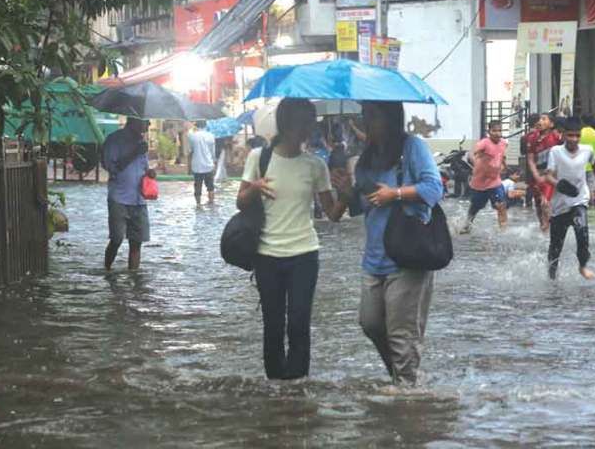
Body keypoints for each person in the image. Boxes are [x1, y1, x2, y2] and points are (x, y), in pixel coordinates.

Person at [329, 101, 444, 385]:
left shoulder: (412, 147)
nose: (367, 124)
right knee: (369, 323)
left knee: (402, 335)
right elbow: (364, 203)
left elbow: (434, 187)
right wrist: (346, 193)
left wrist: (396, 193)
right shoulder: (368, 156)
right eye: (365, 117)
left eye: (373, 117)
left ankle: (406, 395)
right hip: (374, 257)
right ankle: (399, 377)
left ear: (390, 119)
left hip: (406, 254)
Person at [238, 98, 334, 380]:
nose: (308, 129)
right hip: (267, 255)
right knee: (273, 325)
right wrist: (254, 188)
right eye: (303, 122)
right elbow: (241, 202)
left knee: (299, 324)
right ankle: (276, 390)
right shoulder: (259, 158)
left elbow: (333, 213)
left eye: (310, 122)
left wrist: (349, 191)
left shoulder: (316, 165)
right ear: (288, 123)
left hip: (305, 254)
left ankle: (297, 389)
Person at [544, 117, 595, 281]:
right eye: (570, 135)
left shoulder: (587, 150)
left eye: (577, 135)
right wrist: (559, 185)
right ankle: (552, 276)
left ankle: (582, 266)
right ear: (563, 135)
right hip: (559, 205)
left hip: (579, 200)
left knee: (582, 233)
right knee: (555, 247)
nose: (574, 139)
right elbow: (548, 176)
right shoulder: (556, 152)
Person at [102, 117, 153, 271]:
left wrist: (150, 173)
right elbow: (111, 166)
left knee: (136, 243)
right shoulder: (114, 140)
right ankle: (107, 271)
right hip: (119, 198)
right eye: (146, 121)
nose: (149, 124)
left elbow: (144, 168)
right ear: (135, 121)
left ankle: (134, 279)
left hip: (139, 200)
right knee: (116, 239)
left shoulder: (141, 142)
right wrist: (134, 153)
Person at [461, 120, 508, 233]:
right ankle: (467, 225)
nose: (497, 133)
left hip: (494, 181)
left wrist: (504, 165)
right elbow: (471, 154)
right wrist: (475, 162)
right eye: (494, 131)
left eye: (499, 130)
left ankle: (503, 231)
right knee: (475, 208)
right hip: (480, 183)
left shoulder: (503, 143)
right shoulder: (484, 143)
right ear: (489, 132)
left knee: (501, 205)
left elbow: (502, 155)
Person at [527, 113, 562, 232]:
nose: (540, 121)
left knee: (545, 203)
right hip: (536, 175)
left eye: (543, 119)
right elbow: (530, 159)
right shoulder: (532, 138)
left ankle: (549, 228)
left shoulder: (557, 138)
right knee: (537, 203)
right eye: (539, 119)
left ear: (551, 124)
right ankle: (543, 226)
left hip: (550, 176)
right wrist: (536, 175)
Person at [187, 121, 217, 206]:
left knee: (197, 186)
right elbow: (213, 152)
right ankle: (211, 202)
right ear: (205, 126)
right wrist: (214, 161)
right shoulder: (211, 136)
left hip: (197, 166)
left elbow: (190, 150)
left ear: (196, 126)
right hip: (208, 165)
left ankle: (198, 204)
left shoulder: (192, 136)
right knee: (210, 186)